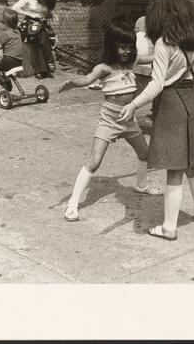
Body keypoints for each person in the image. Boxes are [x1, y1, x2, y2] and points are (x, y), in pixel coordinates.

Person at [117, 0, 194, 241]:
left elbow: (157, 84)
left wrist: (134, 104)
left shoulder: (164, 43)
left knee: (174, 168)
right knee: (193, 163)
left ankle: (169, 227)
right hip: (191, 101)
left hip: (171, 105)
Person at [58, 18, 161, 223]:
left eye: (130, 47)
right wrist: (73, 83)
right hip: (109, 120)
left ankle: (141, 186)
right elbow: (87, 79)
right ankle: (73, 203)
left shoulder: (132, 61)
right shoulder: (104, 68)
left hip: (128, 120)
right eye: (122, 47)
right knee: (95, 161)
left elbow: (156, 56)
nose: (126, 51)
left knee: (145, 154)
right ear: (112, 46)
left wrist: (174, 47)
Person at [11, 0, 58, 79]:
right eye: (42, 2)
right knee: (40, 36)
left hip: (41, 23)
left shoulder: (48, 0)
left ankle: (40, 71)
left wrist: (50, 14)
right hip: (29, 23)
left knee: (44, 38)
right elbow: (15, 7)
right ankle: (49, 62)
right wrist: (29, 13)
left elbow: (49, 12)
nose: (43, 4)